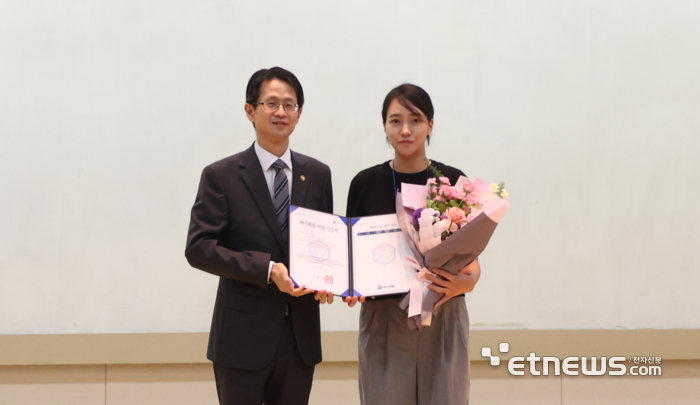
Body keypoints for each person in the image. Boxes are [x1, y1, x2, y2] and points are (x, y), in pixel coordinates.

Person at [185, 67, 334, 405]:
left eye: (290, 105)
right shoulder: (221, 175)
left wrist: (330, 278)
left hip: (300, 338)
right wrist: (266, 269)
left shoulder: (317, 174)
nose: (281, 112)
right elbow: (199, 248)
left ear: (299, 114)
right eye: (272, 103)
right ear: (250, 110)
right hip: (241, 338)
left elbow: (325, 243)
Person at [344, 84, 481, 405]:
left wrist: (469, 281)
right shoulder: (365, 184)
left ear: (430, 125)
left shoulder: (452, 182)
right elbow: (353, 259)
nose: (405, 130)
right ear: (385, 126)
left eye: (415, 120)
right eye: (395, 121)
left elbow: (471, 260)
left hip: (443, 314)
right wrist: (350, 286)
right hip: (384, 319)